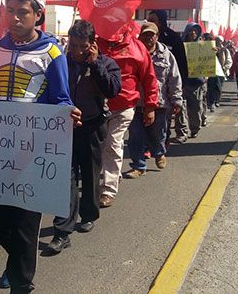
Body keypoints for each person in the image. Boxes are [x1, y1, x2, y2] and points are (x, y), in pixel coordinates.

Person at [0, 0, 78, 293]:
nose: (14, 18)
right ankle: (16, 260)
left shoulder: (53, 53)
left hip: (34, 151)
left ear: (38, 14)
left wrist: (67, 114)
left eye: (22, 12)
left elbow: (62, 98)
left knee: (25, 223)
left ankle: (22, 283)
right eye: (9, 11)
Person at [45, 20, 121, 255]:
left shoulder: (107, 63)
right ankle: (62, 231)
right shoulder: (61, 64)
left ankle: (88, 213)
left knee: (89, 174)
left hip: (92, 127)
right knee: (65, 178)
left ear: (92, 44)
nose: (76, 51)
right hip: (66, 128)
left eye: (82, 46)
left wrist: (95, 64)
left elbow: (112, 90)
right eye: (73, 45)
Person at [96, 25, 158, 208]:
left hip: (123, 107)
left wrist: (150, 106)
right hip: (97, 107)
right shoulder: (95, 44)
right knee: (97, 147)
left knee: (113, 143)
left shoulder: (137, 48)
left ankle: (108, 189)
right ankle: (111, 177)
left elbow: (149, 79)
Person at [124, 22, 183, 178]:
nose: (148, 38)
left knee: (157, 133)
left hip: (159, 103)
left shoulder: (166, 55)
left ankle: (159, 152)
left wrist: (177, 100)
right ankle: (138, 165)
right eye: (145, 34)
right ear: (140, 36)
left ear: (157, 36)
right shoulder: (132, 52)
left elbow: (174, 78)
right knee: (136, 135)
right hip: (136, 102)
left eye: (152, 35)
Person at [147, 10, 188, 144]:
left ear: (161, 22)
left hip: (167, 87)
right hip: (148, 88)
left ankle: (162, 145)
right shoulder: (142, 40)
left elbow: (181, 64)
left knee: (164, 120)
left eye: (152, 20)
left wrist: (181, 87)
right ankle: (148, 146)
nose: (149, 23)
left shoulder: (173, 38)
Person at [182, 23, 206, 138]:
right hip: (182, 81)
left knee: (195, 107)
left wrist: (211, 52)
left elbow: (207, 62)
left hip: (196, 82)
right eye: (191, 31)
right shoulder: (181, 46)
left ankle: (195, 128)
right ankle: (182, 131)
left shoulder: (202, 47)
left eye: (195, 31)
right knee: (181, 108)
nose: (193, 34)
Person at [207, 36, 232, 112]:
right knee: (211, 87)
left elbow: (229, 61)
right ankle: (211, 103)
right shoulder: (210, 48)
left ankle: (216, 100)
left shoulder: (225, 50)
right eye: (216, 40)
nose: (218, 42)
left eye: (219, 40)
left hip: (221, 72)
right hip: (211, 71)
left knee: (219, 88)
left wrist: (224, 68)